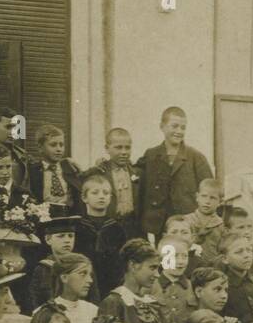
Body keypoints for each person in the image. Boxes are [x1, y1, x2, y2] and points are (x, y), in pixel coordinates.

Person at [135, 106, 213, 240]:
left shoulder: (196, 157)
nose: (179, 131)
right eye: (174, 126)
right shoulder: (151, 155)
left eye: (183, 128)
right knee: (166, 258)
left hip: (187, 225)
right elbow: (133, 173)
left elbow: (210, 191)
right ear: (162, 126)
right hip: (160, 225)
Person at [74, 169, 127, 299]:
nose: (101, 196)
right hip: (83, 280)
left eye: (106, 193)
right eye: (95, 193)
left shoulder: (116, 228)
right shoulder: (77, 226)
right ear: (84, 197)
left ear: (110, 198)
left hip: (110, 282)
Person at [28, 206, 83, 313]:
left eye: (71, 236)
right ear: (48, 240)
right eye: (61, 236)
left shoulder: (82, 266)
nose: (67, 240)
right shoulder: (42, 269)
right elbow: (35, 302)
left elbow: (93, 299)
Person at [26, 123, 82, 207]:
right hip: (44, 215)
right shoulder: (33, 171)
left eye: (61, 145)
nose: (59, 149)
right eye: (53, 145)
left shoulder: (70, 168)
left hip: (69, 217)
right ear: (40, 148)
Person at [96, 127, 140, 226]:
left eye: (127, 147)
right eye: (118, 147)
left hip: (133, 226)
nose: (124, 152)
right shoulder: (100, 172)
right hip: (109, 225)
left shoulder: (137, 172)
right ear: (107, 148)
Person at [221, 233, 253, 323]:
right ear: (225, 259)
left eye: (249, 250)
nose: (246, 255)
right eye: (239, 252)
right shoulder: (223, 286)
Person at [155, 237, 197, 323]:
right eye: (174, 256)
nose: (181, 261)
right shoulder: (151, 286)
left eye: (185, 256)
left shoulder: (192, 286)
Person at [183, 178, 225, 252]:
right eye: (204, 196)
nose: (207, 201)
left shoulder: (221, 225)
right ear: (197, 197)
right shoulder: (186, 220)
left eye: (212, 198)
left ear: (220, 202)